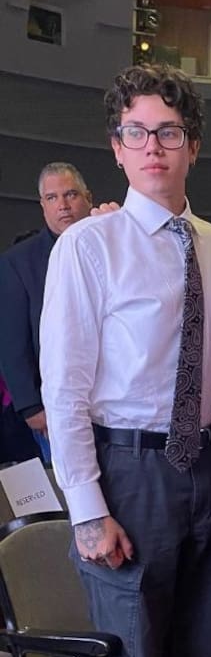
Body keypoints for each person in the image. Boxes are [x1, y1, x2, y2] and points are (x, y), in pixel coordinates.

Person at [40, 64, 211, 657]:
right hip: (127, 473)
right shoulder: (88, 246)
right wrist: (87, 510)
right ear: (116, 148)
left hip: (209, 469)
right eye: (137, 133)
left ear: (193, 146)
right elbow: (63, 389)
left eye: (169, 132)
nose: (153, 146)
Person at [0, 162, 92, 462]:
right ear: (43, 206)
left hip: (115, 404)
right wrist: (31, 407)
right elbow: (12, 341)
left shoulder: (112, 246)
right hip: (55, 410)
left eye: (70, 195)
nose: (62, 205)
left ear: (88, 198)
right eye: (52, 198)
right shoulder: (18, 262)